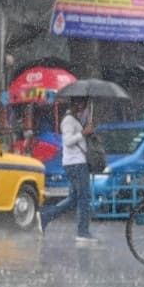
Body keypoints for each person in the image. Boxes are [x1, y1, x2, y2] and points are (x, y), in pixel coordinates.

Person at [38, 96, 98, 245]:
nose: (83, 107)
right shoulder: (68, 120)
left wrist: (87, 132)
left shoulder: (75, 120)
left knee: (74, 199)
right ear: (76, 103)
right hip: (75, 164)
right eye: (83, 103)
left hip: (78, 162)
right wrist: (83, 133)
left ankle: (46, 216)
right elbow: (68, 141)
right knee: (84, 197)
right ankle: (82, 232)